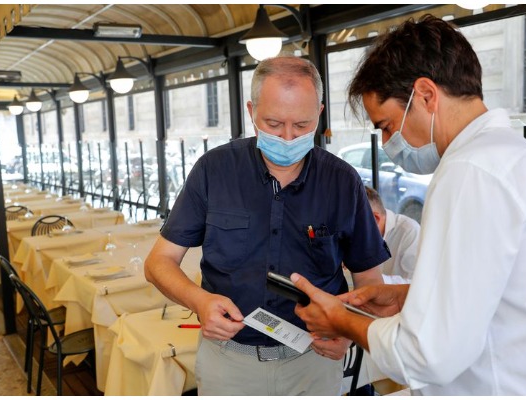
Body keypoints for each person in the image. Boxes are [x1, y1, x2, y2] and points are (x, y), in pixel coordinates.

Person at [290, 15, 526, 395]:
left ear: (425, 95)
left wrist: (342, 320)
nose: (391, 143)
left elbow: (427, 355)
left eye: (388, 126)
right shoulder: (515, 158)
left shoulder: (468, 171)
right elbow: (502, 291)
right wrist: (410, 295)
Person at [144, 55, 390, 396]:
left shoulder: (342, 181)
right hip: (229, 361)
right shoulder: (213, 170)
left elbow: (369, 282)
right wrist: (200, 301)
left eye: (302, 125)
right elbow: (158, 262)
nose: (288, 137)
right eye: (273, 124)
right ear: (251, 111)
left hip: (313, 360)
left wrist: (350, 331)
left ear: (319, 113)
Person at [364, 186, 419, 284]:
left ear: (375, 218)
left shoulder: (410, 232)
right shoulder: (365, 236)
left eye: (354, 225)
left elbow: (416, 285)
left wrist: (369, 276)